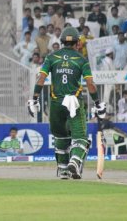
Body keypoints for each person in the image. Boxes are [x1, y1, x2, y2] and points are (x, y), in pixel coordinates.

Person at [28, 27, 106, 179]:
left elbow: (41, 79)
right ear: (77, 43)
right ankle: (75, 162)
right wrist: (97, 103)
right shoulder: (81, 60)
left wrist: (34, 99)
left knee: (62, 138)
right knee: (80, 138)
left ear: (62, 42)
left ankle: (63, 170)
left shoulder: (51, 58)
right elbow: (90, 84)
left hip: (56, 104)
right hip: (74, 103)